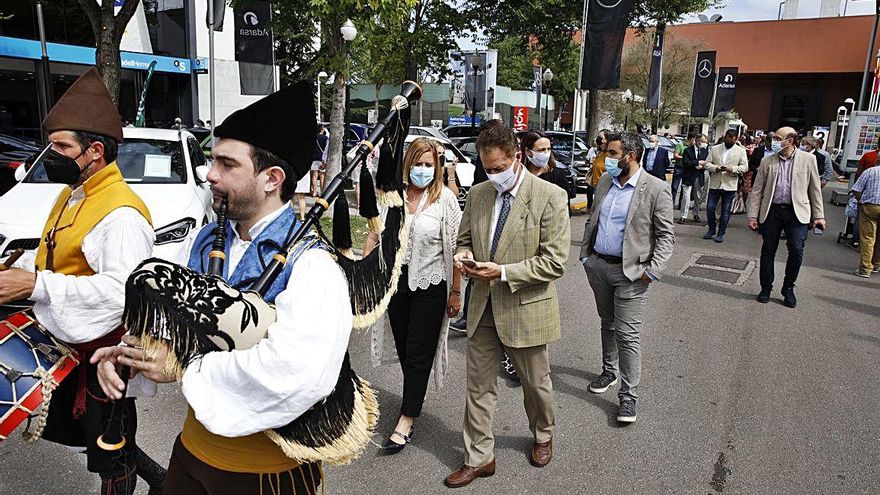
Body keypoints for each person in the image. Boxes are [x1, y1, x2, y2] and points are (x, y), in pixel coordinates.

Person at [93, 82, 349, 494]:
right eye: (212, 160)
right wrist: (131, 354)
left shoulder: (314, 266)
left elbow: (293, 374)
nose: (209, 174)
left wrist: (184, 366)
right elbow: (174, 320)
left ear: (272, 179)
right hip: (190, 454)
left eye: (227, 164)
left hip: (265, 473)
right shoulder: (206, 238)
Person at [0, 68, 162, 495]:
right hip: (65, 349)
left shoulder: (122, 215)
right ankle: (161, 479)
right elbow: (57, 253)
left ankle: (152, 483)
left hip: (103, 355)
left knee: (111, 451)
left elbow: (121, 292)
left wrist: (35, 285)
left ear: (93, 151)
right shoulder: (74, 191)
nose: (48, 154)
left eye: (60, 146)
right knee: (89, 439)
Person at [445, 123, 570, 488]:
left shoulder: (549, 196)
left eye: (500, 168)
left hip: (526, 306)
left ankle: (543, 434)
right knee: (478, 387)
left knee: (536, 384)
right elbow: (464, 239)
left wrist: (501, 272)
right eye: (488, 168)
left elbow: (556, 261)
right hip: (482, 306)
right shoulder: (480, 194)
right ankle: (478, 457)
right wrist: (464, 256)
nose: (494, 175)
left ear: (518, 157)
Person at [366, 137, 462, 455]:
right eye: (417, 164)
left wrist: (456, 290)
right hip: (398, 284)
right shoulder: (393, 197)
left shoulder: (445, 200)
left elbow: (458, 247)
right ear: (408, 165)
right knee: (407, 351)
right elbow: (374, 234)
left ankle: (407, 418)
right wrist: (365, 275)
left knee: (419, 352)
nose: (423, 170)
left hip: (431, 285)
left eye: (428, 165)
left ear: (436, 167)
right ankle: (413, 397)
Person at [579, 131, 674, 424]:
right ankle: (609, 370)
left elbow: (666, 237)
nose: (606, 158)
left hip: (631, 274)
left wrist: (651, 272)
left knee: (628, 335)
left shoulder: (655, 189)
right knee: (607, 323)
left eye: (612, 153)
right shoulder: (606, 181)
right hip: (599, 267)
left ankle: (628, 397)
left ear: (630, 157)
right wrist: (586, 257)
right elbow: (592, 218)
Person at [748, 127, 825, 308]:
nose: (774, 140)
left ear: (789, 140)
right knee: (768, 250)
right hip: (772, 211)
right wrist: (753, 215)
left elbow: (815, 190)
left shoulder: (808, 160)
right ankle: (766, 288)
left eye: (778, 138)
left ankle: (788, 288)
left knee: (796, 250)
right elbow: (757, 191)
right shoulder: (767, 161)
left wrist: (819, 215)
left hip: (797, 213)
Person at [703, 129, 748, 243]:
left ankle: (721, 233)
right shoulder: (715, 148)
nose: (730, 142)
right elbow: (707, 163)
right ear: (725, 137)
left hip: (730, 184)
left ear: (736, 139)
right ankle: (712, 229)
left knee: (726, 211)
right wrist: (715, 168)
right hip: (715, 183)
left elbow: (744, 167)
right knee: (710, 208)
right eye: (729, 139)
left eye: (733, 140)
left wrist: (732, 169)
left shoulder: (740, 151)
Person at [852, 165, 880, 277]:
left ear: (877, 160)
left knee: (868, 238)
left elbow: (857, 190)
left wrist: (861, 201)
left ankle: (865, 268)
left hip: (870, 207)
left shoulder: (870, 171)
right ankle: (876, 263)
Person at [678, 133, 709, 224]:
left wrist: (702, 167)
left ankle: (696, 213)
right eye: (702, 141)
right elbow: (686, 163)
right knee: (686, 197)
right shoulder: (688, 150)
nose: (703, 143)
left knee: (698, 196)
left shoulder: (705, 151)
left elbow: (707, 163)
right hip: (688, 176)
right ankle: (683, 216)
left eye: (704, 142)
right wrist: (697, 163)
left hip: (699, 176)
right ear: (696, 140)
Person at [587, 130, 610, 212]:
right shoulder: (600, 153)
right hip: (596, 186)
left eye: (601, 137)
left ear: (606, 140)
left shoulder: (609, 155)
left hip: (603, 188)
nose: (598, 139)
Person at [672, 133, 694, 210]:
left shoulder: (692, 147)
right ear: (691, 139)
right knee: (675, 187)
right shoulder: (680, 145)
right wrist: (685, 158)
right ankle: (672, 203)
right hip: (679, 168)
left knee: (684, 188)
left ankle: (681, 204)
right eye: (693, 140)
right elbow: (675, 155)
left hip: (687, 169)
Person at [310, 125, 328, 195]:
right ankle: (322, 192)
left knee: (314, 176)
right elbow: (326, 149)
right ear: (322, 130)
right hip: (322, 159)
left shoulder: (314, 137)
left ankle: (314, 191)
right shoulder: (325, 138)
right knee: (322, 176)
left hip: (314, 158)